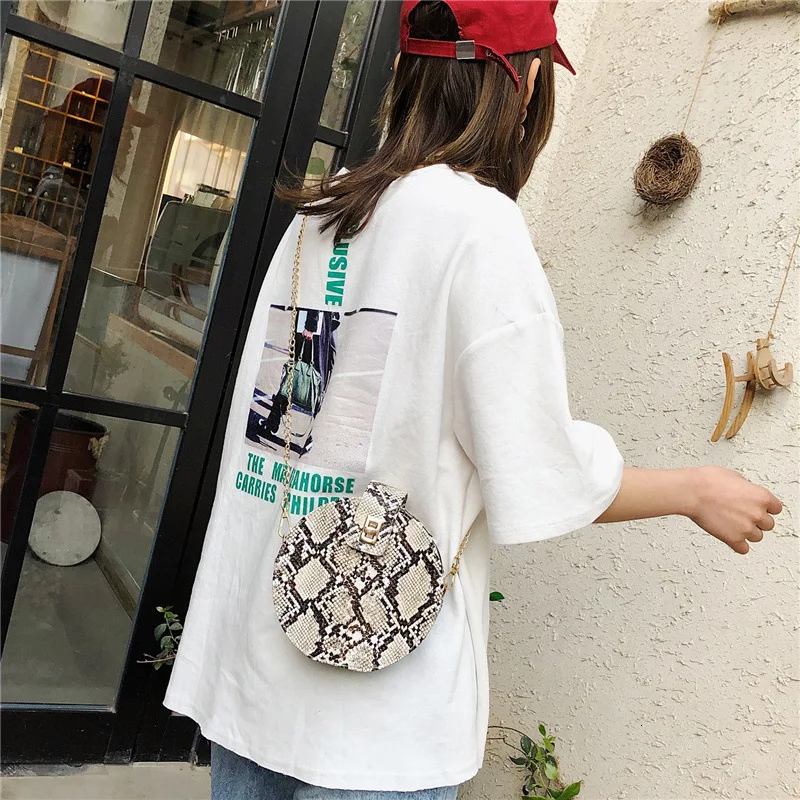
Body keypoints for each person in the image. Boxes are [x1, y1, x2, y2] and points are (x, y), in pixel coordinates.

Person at [164, 2, 782, 798]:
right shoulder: (479, 227)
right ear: (522, 85)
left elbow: (298, 415)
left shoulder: (326, 211)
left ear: (404, 71)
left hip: (255, 669)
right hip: (374, 711)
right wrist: (694, 490)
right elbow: (533, 464)